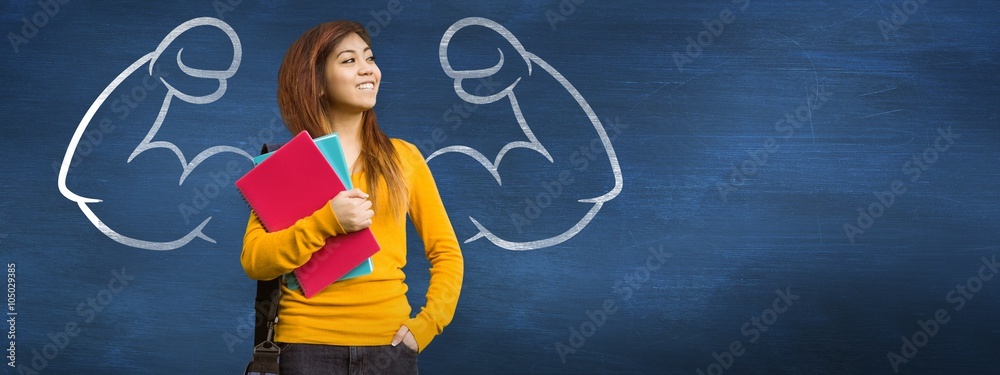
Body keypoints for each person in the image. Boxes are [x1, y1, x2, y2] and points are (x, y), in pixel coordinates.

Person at [240, 20, 464, 375]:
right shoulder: (287, 165)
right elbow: (255, 261)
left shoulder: (403, 157)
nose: (367, 69)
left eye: (369, 58)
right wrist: (328, 221)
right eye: (348, 60)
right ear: (316, 84)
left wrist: (424, 328)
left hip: (390, 347)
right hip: (305, 347)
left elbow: (447, 253)